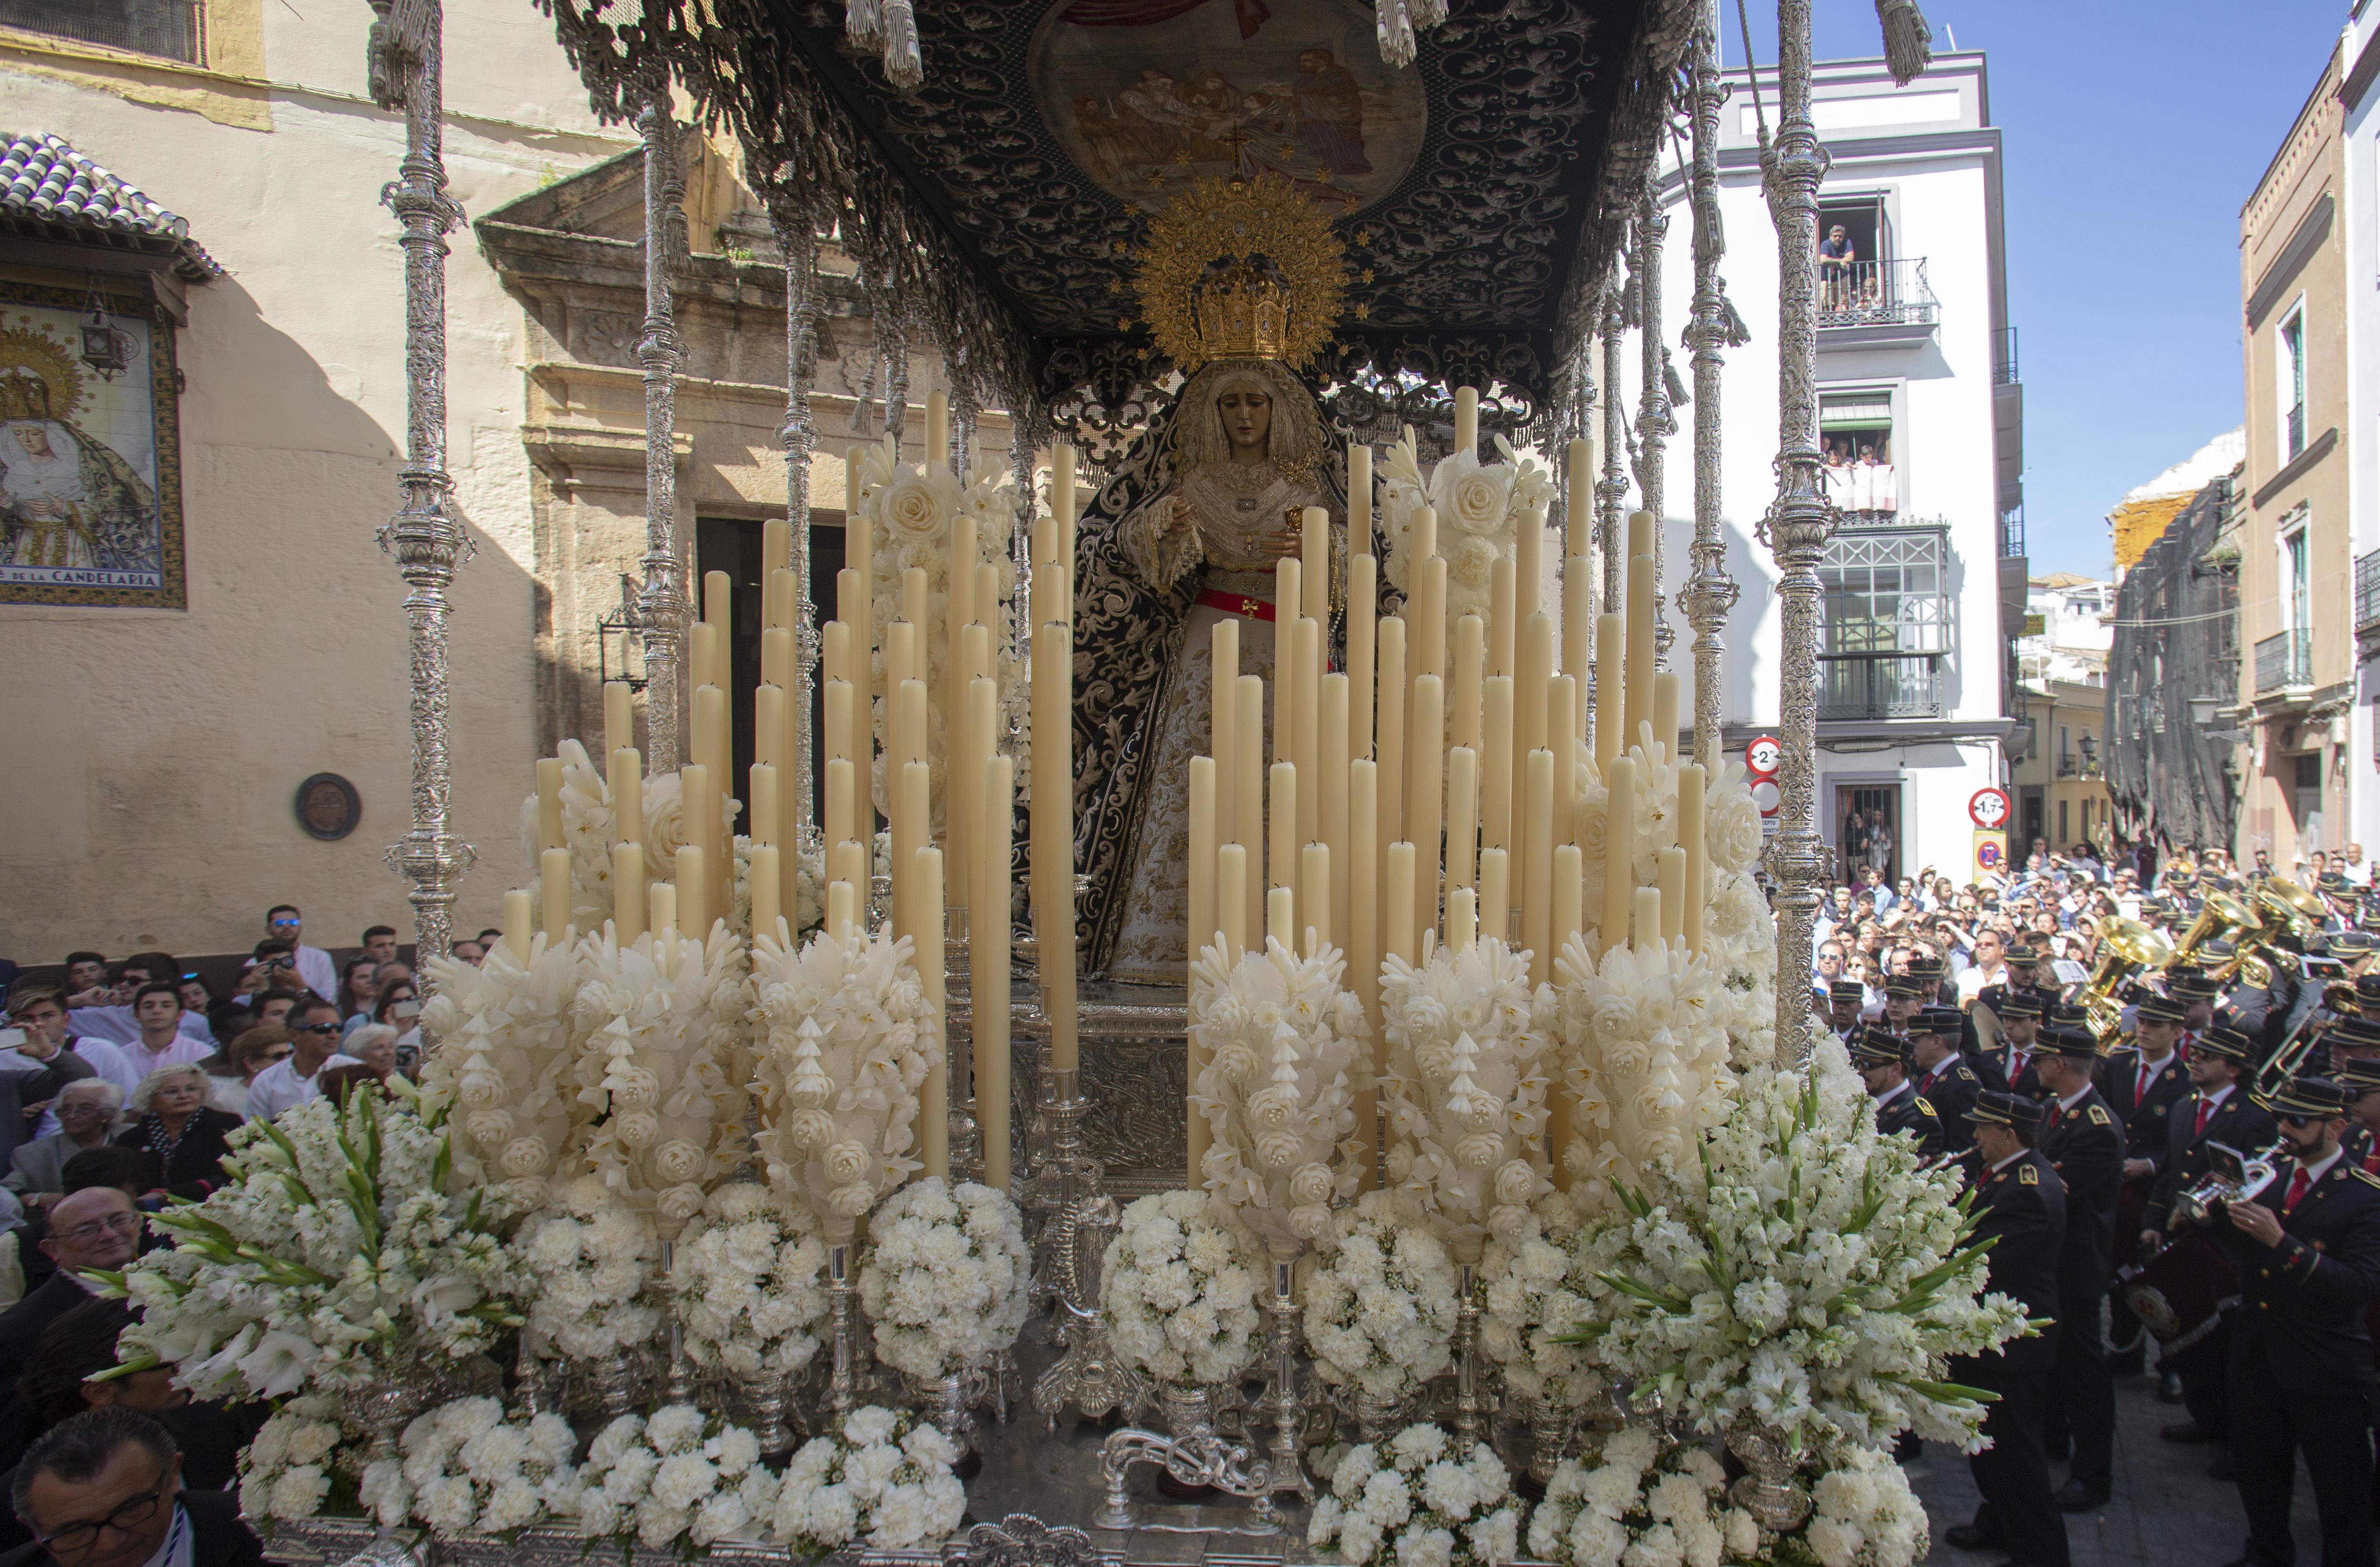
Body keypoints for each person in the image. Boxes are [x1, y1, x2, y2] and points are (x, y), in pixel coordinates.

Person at [1073, 350, 1339, 982]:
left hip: (1286, 647)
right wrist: (1159, 530)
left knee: (1289, 781)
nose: (1244, 414)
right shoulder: (1190, 489)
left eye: (1255, 401)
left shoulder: (1307, 493)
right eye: (1230, 402)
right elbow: (1122, 546)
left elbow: (1359, 573)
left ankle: (1293, 940)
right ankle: (1168, 947)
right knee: (1195, 777)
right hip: (1205, 644)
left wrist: (1320, 552)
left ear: (1278, 410)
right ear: (1211, 413)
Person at [2210, 1076, 2380, 1567]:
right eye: (2281, 1118)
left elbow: (2360, 1285)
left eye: (2298, 1121)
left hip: (2322, 1359)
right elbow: (2242, 1258)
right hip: (2259, 1347)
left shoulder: (2365, 1196)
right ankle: (2266, 1552)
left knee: (2340, 1489)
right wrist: (2217, 1215)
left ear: (2336, 1127)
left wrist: (2279, 1242)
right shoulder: (2273, 1173)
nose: (2284, 1129)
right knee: (2259, 1468)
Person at [1943, 1092, 2070, 1567]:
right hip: (1994, 1338)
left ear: (2008, 1134)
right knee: (1991, 1449)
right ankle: (1998, 1521)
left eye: (1983, 1129)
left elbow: (1985, 1259)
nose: (1975, 1136)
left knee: (2016, 1457)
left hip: (2013, 1346)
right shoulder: (2011, 1175)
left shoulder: (2027, 1191)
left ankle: (2040, 1552)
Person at [2141, 1024, 2277, 1461]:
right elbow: (2169, 1173)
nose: (2194, 1060)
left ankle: (2234, 1438)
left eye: (2207, 1057)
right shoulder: (2184, 1107)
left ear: (2234, 1069)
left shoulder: (2254, 1117)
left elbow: (2253, 1184)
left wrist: (2206, 1210)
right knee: (2191, 1338)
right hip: (2185, 1239)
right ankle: (2205, 1418)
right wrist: (2154, 1220)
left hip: (2225, 1245)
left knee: (2226, 1349)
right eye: (2195, 1053)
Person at [2033, 1027, 2123, 1512]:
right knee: (2057, 1358)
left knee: (2084, 1371)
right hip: (2056, 1261)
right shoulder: (2062, 1113)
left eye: (2041, 1060)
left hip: (2076, 1265)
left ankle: (2094, 1474)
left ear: (2060, 1064)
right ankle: (2055, 1439)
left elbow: (2056, 1187)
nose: (2035, 1067)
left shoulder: (2095, 1126)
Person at [3, 1407, 265, 1567]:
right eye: (75, 1530)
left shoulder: (273, 1536)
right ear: (34, 1529)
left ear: (173, 1474)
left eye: (129, 1511)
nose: (110, 1544)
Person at [2103, 995, 2194, 1374]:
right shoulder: (2119, 1065)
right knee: (2118, 1272)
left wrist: (2151, 1164)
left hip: (2153, 1189)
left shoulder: (2186, 1078)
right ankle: (2125, 1351)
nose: (2144, 1030)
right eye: (2142, 1023)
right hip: (2117, 1184)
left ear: (2176, 1032)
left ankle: (2170, 1365)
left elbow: (2185, 1140)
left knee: (2156, 1278)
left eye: (2155, 1026)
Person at [0, 1190, 136, 1384]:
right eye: (85, 1230)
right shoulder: (20, 1330)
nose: (109, 1234)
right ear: (52, 1249)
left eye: (119, 1220)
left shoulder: (170, 1286)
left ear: (137, 1223)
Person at [112, 1068, 240, 1204]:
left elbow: (233, 1175)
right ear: (151, 1098)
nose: (183, 1096)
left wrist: (168, 1194)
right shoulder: (131, 1138)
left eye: (191, 1089)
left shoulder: (226, 1124)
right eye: (172, 1091)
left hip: (209, 1207)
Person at [1, 1086, 121, 1212]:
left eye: (85, 1109)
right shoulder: (34, 1153)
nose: (71, 1116)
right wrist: (37, 1198)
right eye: (65, 1110)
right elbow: (7, 1191)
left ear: (108, 1113)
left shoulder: (130, 1138)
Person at [241, 1000, 358, 1122]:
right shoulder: (266, 1081)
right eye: (323, 1028)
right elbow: (258, 1131)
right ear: (294, 1035)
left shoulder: (356, 1072)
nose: (334, 1035)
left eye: (339, 1028)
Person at [1849, 1024, 1942, 1151]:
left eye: (1868, 1065)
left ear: (1895, 1069)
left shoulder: (1918, 1119)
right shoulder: (1864, 1100)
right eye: (1859, 1063)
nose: (1860, 1071)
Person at [198, 1029, 287, 1122]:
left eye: (291, 1054)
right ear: (251, 1063)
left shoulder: (297, 1086)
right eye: (279, 1057)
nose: (288, 1061)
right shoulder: (226, 1101)